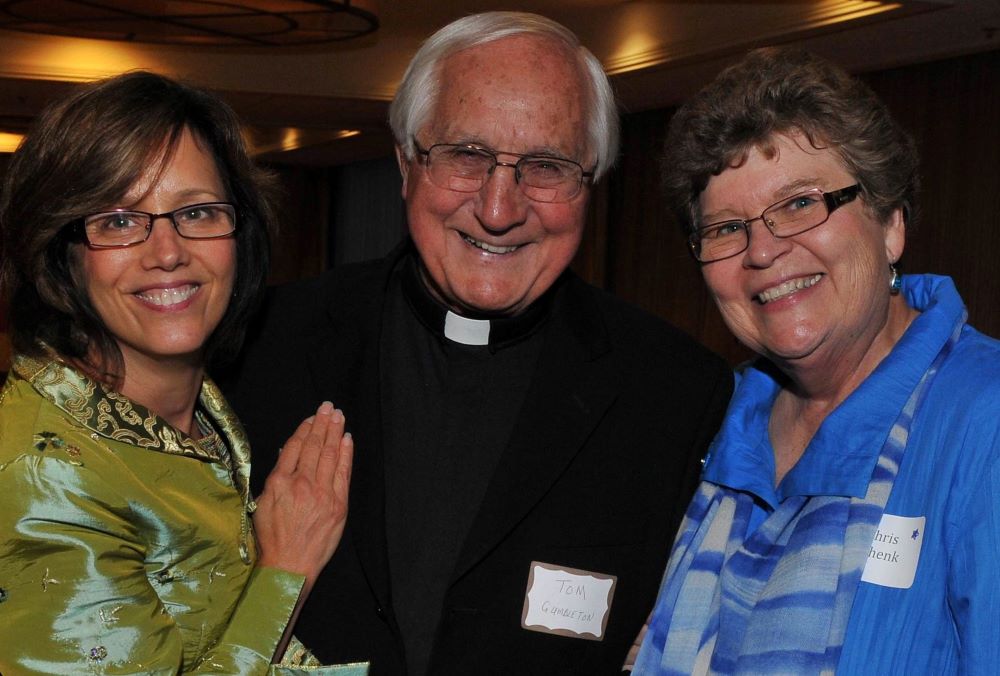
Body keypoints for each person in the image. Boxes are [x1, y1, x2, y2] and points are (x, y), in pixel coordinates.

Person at [220, 11, 733, 676]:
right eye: (466, 155)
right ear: (405, 163)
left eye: (546, 166)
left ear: (591, 185)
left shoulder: (676, 393)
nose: (499, 209)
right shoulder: (255, 348)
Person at [630, 47, 1000, 674]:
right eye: (725, 228)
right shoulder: (708, 423)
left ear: (891, 224)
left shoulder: (983, 422)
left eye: (800, 203)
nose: (763, 251)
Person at [0, 72, 366, 675]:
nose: (167, 251)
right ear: (63, 253)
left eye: (196, 212)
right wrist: (288, 570)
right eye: (118, 221)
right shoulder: (44, 473)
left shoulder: (211, 408)